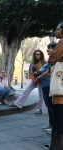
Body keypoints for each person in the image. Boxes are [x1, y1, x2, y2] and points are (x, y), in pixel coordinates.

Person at [13, 50, 45, 114]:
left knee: (41, 95)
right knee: (26, 91)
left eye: (39, 54)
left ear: (41, 55)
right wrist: (34, 78)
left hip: (41, 80)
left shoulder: (44, 63)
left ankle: (40, 109)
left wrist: (38, 74)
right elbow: (30, 72)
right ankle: (18, 104)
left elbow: (44, 72)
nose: (37, 55)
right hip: (34, 80)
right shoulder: (32, 63)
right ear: (34, 55)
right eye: (36, 54)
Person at [47, 21, 63, 150]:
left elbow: (51, 59)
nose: (55, 31)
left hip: (60, 90)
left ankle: (57, 146)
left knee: (58, 120)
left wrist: (52, 55)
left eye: (57, 29)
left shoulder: (62, 43)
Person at [36, 42, 57, 136]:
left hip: (49, 85)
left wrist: (39, 77)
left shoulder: (54, 59)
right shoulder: (49, 60)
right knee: (49, 107)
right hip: (45, 86)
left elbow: (49, 73)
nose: (48, 50)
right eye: (48, 48)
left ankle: (53, 127)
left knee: (51, 107)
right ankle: (51, 125)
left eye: (50, 48)